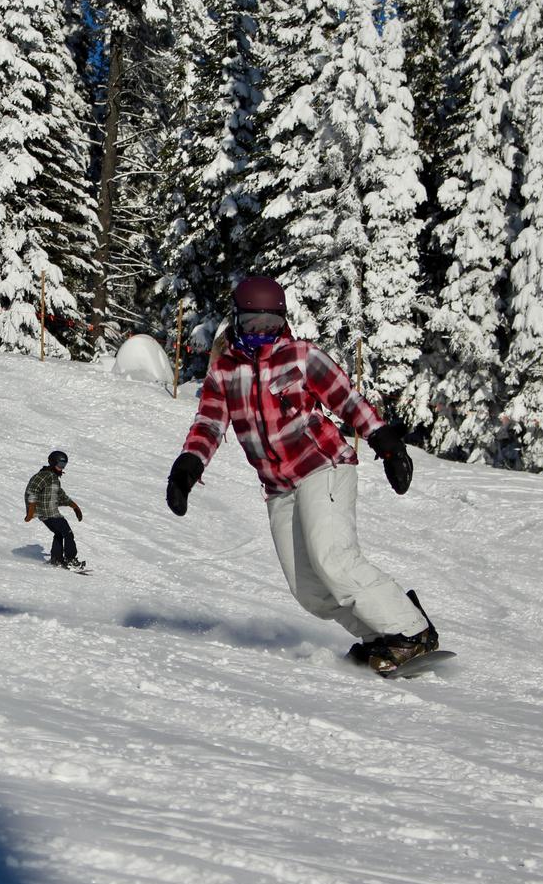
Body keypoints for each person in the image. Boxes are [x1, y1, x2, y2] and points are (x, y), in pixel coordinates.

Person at [163, 276, 436, 674]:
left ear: (283, 321)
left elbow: (347, 399)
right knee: (308, 590)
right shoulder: (224, 372)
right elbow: (208, 424)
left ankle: (412, 631)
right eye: (253, 325)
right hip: (278, 487)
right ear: (237, 321)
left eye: (270, 325)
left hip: (322, 466)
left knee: (334, 559)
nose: (261, 334)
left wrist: (385, 442)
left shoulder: (301, 356)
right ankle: (380, 634)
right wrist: (188, 467)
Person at [25, 450, 86, 570]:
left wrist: (74, 506)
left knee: (59, 533)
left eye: (64, 465)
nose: (61, 468)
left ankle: (56, 559)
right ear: (52, 463)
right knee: (68, 534)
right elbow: (32, 491)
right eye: (60, 465)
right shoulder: (43, 476)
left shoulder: (53, 478)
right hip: (48, 513)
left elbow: (60, 495)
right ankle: (70, 560)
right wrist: (31, 511)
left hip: (48, 513)